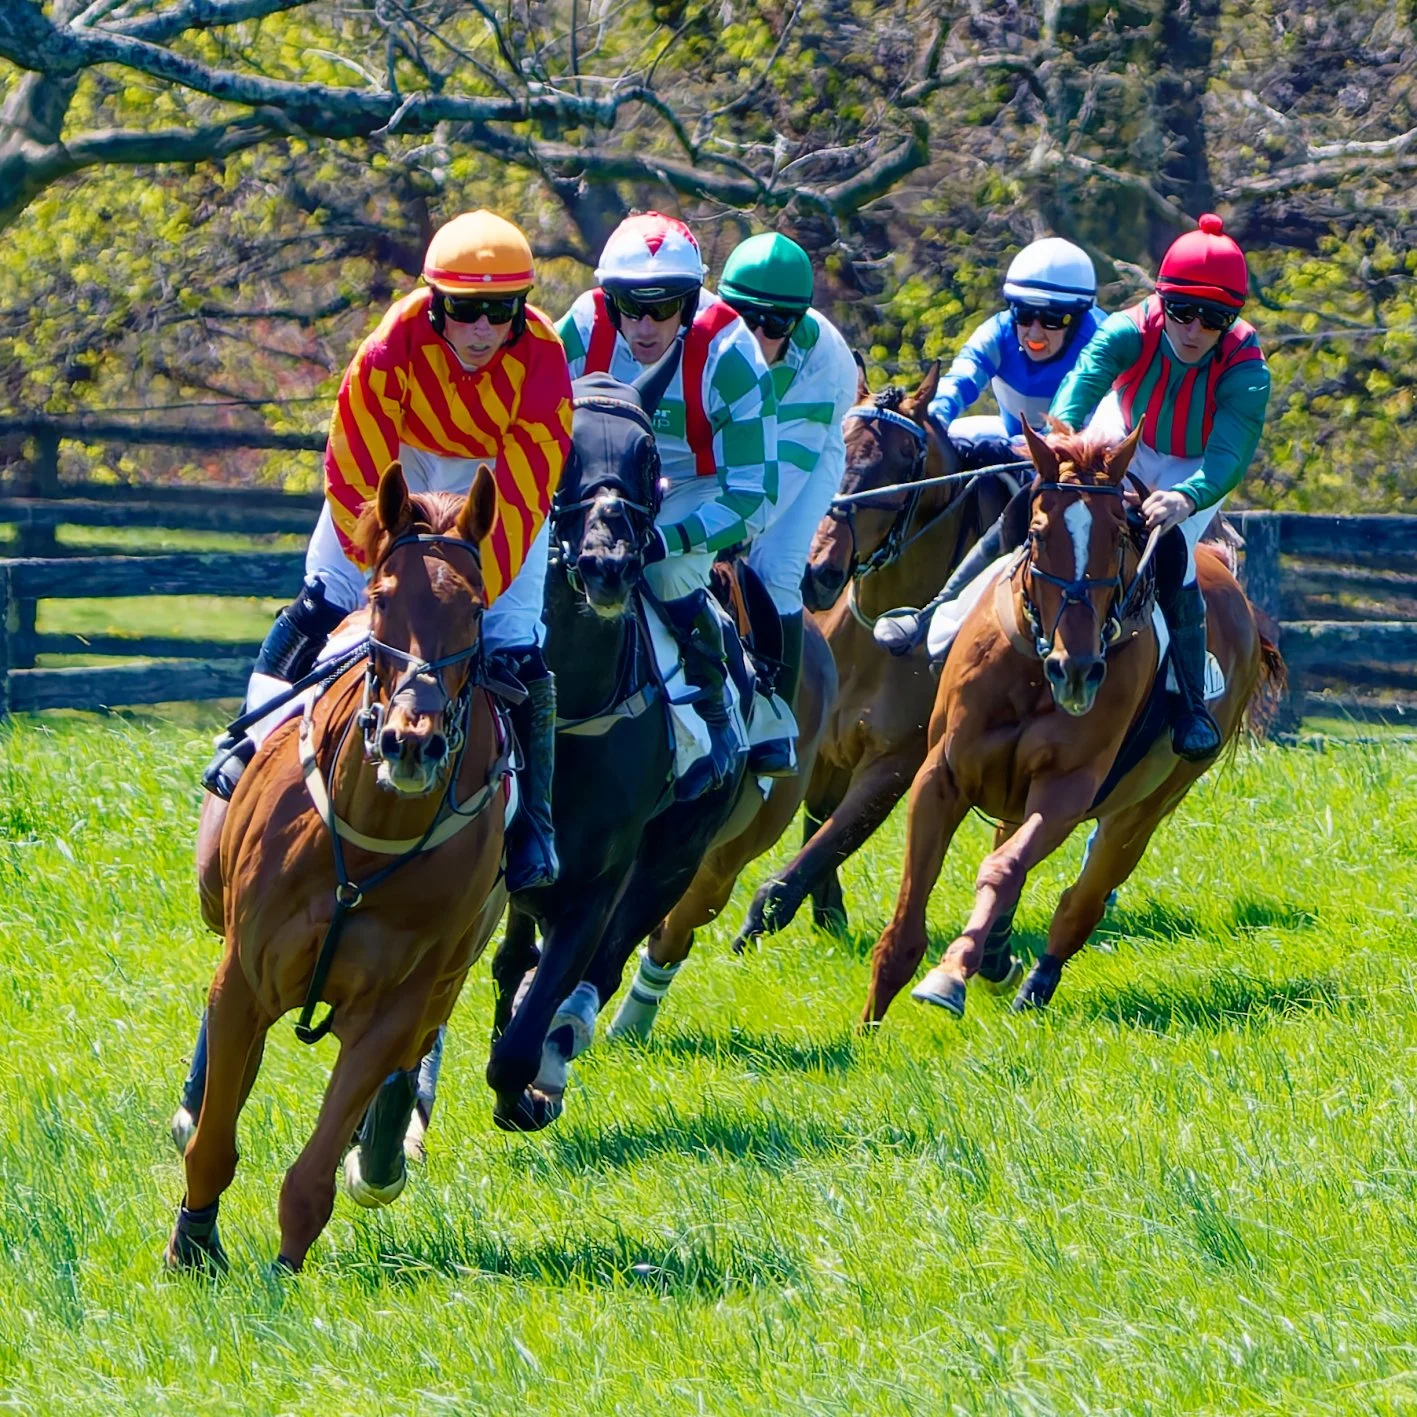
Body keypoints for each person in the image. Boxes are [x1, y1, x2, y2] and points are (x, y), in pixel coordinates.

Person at [202, 209, 573, 891]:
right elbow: (356, 467)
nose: (484, 329)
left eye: (501, 312)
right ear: (436, 306)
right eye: (466, 311)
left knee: (518, 644)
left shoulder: (545, 361)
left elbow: (523, 492)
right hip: (393, 473)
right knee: (321, 601)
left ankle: (535, 821)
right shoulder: (389, 345)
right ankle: (248, 741)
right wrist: (386, 562)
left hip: (495, 486)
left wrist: (458, 586)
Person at [910, 214, 1271, 762]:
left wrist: (1186, 497)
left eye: (1214, 318)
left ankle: (1190, 698)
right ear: (1161, 301)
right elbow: (1078, 393)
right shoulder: (1127, 330)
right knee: (1040, 503)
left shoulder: (1246, 368)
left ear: (1233, 319)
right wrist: (1059, 446)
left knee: (1171, 550)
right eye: (1183, 312)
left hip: (1194, 463)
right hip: (1121, 431)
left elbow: (1227, 458)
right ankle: (937, 611)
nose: (1194, 330)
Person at [557, 212, 778, 799]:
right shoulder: (578, 329)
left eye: (667, 306)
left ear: (692, 298)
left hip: (694, 483)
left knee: (666, 570)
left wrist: (665, 539)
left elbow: (753, 496)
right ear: (609, 301)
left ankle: (719, 710)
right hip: (606, 482)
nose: (647, 324)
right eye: (631, 306)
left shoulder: (731, 353)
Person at [874, 237, 1105, 654]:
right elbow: (958, 384)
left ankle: (940, 609)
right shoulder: (997, 332)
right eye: (1024, 314)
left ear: (1077, 318)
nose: (1034, 331)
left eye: (1052, 320)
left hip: (1080, 461)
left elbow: (1086, 426)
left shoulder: (1100, 340)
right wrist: (930, 426)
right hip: (1013, 439)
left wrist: (1020, 449)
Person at [713, 232, 858, 772]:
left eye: (775, 325)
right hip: (727, 437)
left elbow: (765, 491)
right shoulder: (688, 326)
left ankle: (773, 712)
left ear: (797, 324)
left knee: (773, 567)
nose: (755, 335)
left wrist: (718, 533)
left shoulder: (827, 364)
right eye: (742, 315)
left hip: (801, 454)